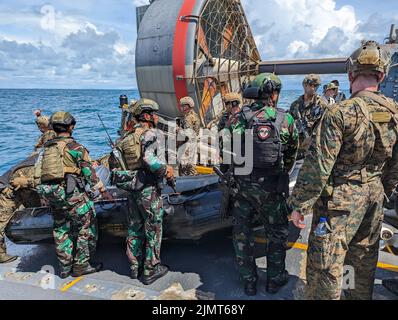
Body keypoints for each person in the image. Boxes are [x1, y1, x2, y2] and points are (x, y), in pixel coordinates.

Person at [288, 40, 397, 300]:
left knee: (325, 267)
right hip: (373, 197)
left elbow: (318, 166)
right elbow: (395, 166)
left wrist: (299, 205)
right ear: (381, 75)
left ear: (350, 75)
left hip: (339, 203)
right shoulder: (394, 113)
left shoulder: (340, 113)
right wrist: (382, 191)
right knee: (362, 263)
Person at [226, 73, 298, 296]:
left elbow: (228, 152)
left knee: (242, 233)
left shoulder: (238, 119)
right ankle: (274, 279)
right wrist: (280, 172)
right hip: (273, 188)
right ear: (273, 94)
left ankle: (249, 281)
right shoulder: (285, 119)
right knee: (276, 233)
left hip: (243, 188)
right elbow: (292, 154)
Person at [37, 111, 112, 279]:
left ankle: (64, 267)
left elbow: (38, 174)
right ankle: (82, 265)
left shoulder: (46, 148)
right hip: (74, 196)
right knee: (86, 228)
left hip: (54, 196)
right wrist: (103, 191)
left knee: (61, 230)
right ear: (71, 127)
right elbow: (90, 174)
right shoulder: (76, 148)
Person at [112, 98, 175, 285]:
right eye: (154, 114)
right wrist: (165, 170)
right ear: (147, 115)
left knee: (134, 227)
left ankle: (134, 267)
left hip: (132, 188)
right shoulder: (150, 134)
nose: (156, 117)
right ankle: (151, 269)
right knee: (153, 227)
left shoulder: (125, 138)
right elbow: (149, 159)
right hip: (147, 189)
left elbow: (115, 163)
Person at [0, 158, 40, 263]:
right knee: (1, 220)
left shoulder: (44, 159)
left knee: (39, 211)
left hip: (26, 189)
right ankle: (0, 254)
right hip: (8, 189)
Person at [289, 74, 328, 160]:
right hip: (298, 150)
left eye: (316, 86)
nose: (313, 88)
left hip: (314, 152)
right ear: (304, 85)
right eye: (311, 85)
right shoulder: (295, 106)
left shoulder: (322, 105)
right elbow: (290, 128)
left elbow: (327, 128)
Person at [178, 96, 201, 176]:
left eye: (182, 106)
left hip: (187, 145)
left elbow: (188, 133)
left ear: (187, 106)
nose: (181, 108)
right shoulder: (194, 115)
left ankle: (189, 184)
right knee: (190, 164)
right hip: (192, 143)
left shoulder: (188, 118)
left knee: (186, 166)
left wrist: (178, 130)